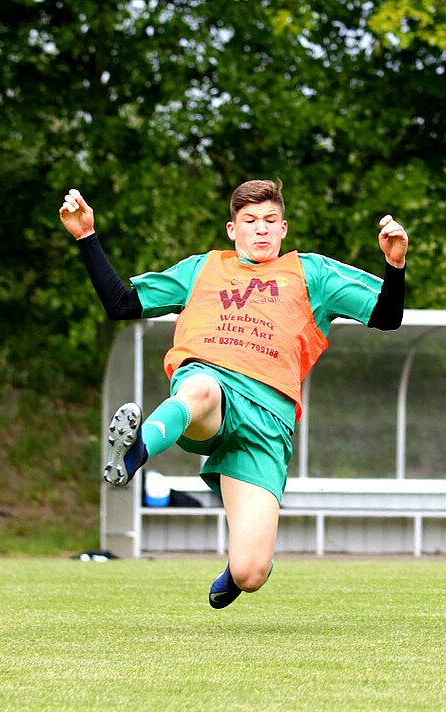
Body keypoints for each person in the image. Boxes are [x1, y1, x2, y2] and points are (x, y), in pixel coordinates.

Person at [60, 180, 408, 609]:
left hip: (268, 422)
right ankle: (133, 452)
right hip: (213, 388)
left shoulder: (312, 273)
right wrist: (86, 237)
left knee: (251, 572)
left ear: (284, 229)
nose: (260, 230)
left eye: (270, 221)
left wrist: (395, 265)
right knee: (200, 388)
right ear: (232, 229)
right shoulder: (203, 268)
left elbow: (388, 316)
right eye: (250, 221)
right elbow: (122, 305)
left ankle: (240, 567)